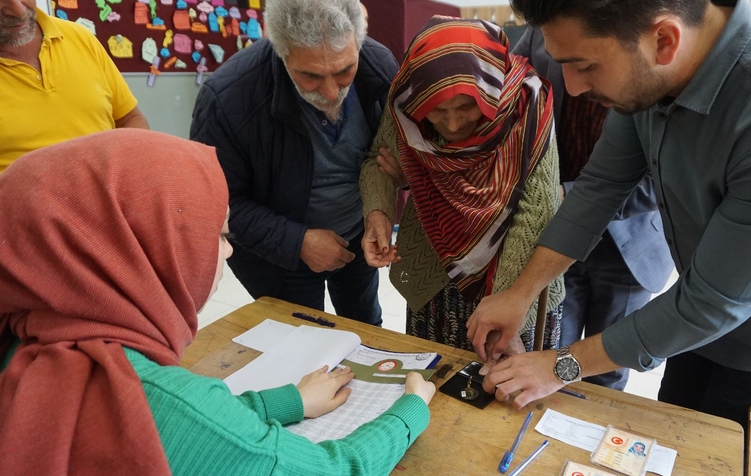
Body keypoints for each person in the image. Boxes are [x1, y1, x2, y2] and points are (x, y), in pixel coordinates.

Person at [468, 0, 751, 430]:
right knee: (673, 439)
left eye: (584, 65)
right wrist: (520, 294)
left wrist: (559, 366)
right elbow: (600, 188)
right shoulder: (657, 67)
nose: (573, 88)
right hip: (696, 319)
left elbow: (710, 307)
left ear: (665, 40)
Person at [0, 129, 435, 476]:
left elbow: (199, 428)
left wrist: (284, 403)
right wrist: (409, 410)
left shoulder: (26, 349)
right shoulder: (153, 400)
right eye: (221, 235)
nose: (228, 252)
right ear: (144, 250)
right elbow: (333, 469)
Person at [360, 16, 565, 353]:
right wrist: (378, 215)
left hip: (515, 277)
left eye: (467, 106)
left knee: (508, 385)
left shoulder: (527, 101)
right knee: (430, 378)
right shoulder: (406, 102)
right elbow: (378, 161)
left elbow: (536, 208)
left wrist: (504, 306)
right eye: (436, 111)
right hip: (435, 272)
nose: (453, 123)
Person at [191, 0, 397, 326]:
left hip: (358, 237)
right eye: (310, 76)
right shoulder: (229, 97)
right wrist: (296, 241)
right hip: (278, 257)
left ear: (357, 43)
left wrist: (378, 210)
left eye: (345, 71)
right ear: (281, 50)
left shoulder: (380, 66)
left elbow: (386, 156)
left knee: (366, 327)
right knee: (299, 343)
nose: (331, 93)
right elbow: (215, 202)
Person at [512, 27, 674, 390]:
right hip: (557, 232)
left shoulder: (657, 74)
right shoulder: (546, 33)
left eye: (585, 65)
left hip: (627, 247)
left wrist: (568, 195)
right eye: (565, 63)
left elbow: (654, 180)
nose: (573, 84)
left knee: (607, 368)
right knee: (555, 348)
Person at [0, 0, 148, 172]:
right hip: (21, 197)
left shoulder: (79, 37)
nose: (18, 11)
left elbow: (130, 119)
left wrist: (120, 173)